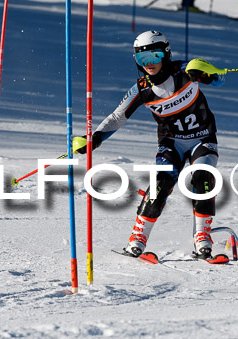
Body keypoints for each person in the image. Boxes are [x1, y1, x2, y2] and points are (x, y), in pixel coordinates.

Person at [72, 31, 224, 259]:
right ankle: (137, 239)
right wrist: (96, 138)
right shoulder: (141, 89)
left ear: (166, 54)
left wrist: (206, 75)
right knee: (160, 183)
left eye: (154, 56)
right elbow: (116, 118)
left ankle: (202, 239)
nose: (149, 64)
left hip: (202, 138)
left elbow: (219, 76)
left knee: (202, 177)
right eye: (143, 59)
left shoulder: (185, 70)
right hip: (172, 143)